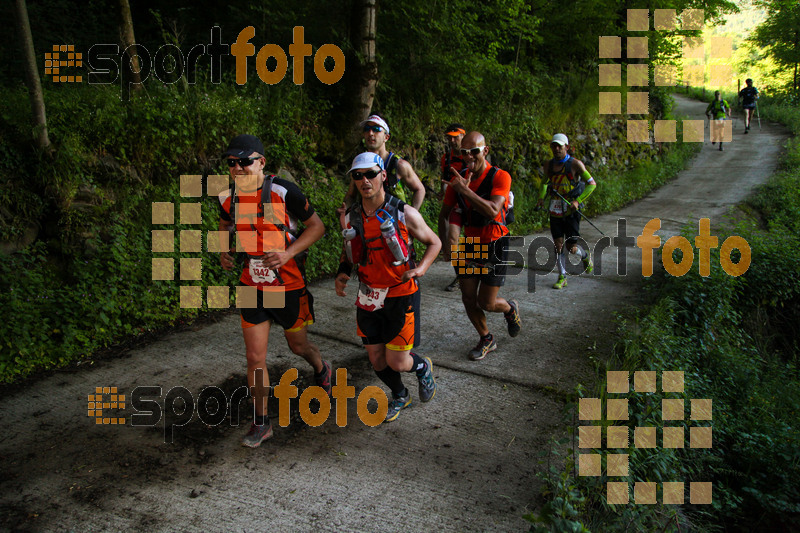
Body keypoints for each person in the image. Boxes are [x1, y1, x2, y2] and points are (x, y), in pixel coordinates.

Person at [218, 134, 331, 448]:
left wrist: (288, 253)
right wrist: (224, 249)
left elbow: (317, 227)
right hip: (250, 284)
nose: (238, 168)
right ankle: (261, 422)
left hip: (286, 284)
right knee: (254, 357)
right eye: (231, 163)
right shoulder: (227, 196)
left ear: (261, 162)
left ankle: (322, 368)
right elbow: (224, 225)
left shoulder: (283, 191)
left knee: (298, 346)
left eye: (244, 161)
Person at [335, 152, 441, 421]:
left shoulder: (403, 212)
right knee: (377, 360)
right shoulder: (351, 216)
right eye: (358, 176)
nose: (364, 180)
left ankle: (421, 367)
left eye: (370, 174)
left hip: (401, 294)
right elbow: (349, 249)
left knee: (398, 362)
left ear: (383, 175)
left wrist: (422, 268)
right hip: (369, 295)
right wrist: (343, 272)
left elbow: (435, 242)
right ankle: (400, 395)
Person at [438, 131, 521, 361]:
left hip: (495, 242)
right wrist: (448, 246)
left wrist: (465, 190)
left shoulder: (500, 176)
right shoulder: (458, 180)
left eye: (474, 151)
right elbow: (444, 215)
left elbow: (493, 210)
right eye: (464, 153)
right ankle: (486, 338)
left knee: (486, 302)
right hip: (471, 244)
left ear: (485, 150)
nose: (469, 157)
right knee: (467, 297)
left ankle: (509, 308)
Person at [536, 133, 597, 290]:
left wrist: (578, 201)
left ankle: (584, 256)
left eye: (559, 146)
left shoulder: (575, 164)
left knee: (571, 247)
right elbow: (544, 183)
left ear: (566, 147)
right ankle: (562, 276)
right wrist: (541, 198)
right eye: (554, 146)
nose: (556, 149)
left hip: (571, 210)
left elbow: (591, 184)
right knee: (558, 244)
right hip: (555, 210)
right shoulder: (548, 165)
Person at [343, 114, 426, 210]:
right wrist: (345, 209)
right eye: (367, 129)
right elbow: (350, 195)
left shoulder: (398, 165)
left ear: (386, 137)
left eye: (376, 129)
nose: (370, 133)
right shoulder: (360, 164)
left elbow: (420, 189)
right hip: (367, 221)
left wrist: (410, 214)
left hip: (394, 222)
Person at [439, 123, 467, 292]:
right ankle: (461, 276)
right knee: (452, 240)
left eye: (455, 136)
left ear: (463, 136)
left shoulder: (471, 155)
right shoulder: (446, 158)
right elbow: (445, 179)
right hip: (456, 205)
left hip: (473, 204)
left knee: (476, 240)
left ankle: (479, 272)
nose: (452, 140)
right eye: (449, 136)